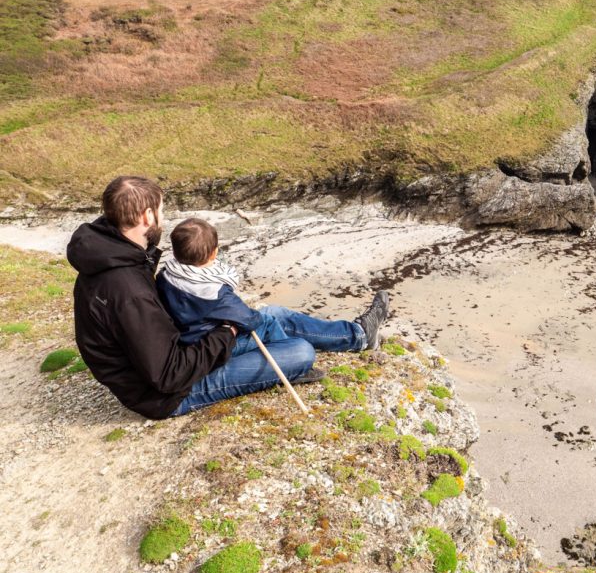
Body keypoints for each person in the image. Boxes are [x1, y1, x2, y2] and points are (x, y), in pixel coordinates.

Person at [67, 175, 389, 419]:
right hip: (166, 393)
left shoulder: (117, 255)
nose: (163, 219)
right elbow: (169, 375)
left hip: (174, 349)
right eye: (161, 212)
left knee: (272, 313)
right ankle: (288, 362)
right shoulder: (126, 290)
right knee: (299, 353)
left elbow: (153, 329)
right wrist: (227, 332)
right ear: (147, 217)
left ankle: (358, 335)